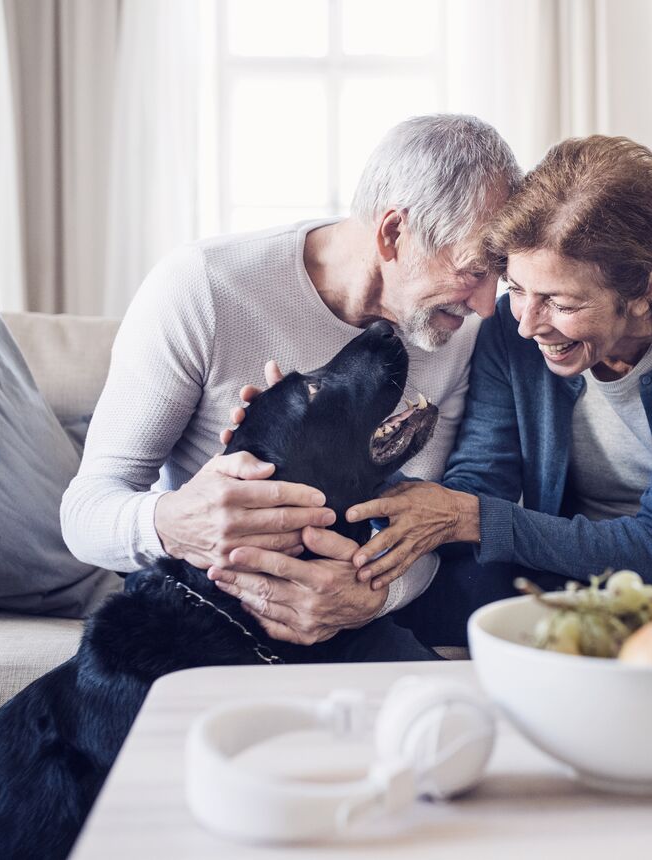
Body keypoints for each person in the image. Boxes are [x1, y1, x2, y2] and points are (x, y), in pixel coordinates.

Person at [330, 135, 652, 644]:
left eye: (561, 303)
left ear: (646, 290)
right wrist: (350, 468)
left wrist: (469, 516)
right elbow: (479, 485)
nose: (527, 324)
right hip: (601, 560)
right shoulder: (509, 333)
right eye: (517, 288)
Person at [61, 114, 521, 658]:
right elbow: (84, 514)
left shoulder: (459, 332)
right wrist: (175, 521)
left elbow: (418, 527)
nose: (488, 305)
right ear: (394, 232)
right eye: (473, 270)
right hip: (201, 607)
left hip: (350, 611)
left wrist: (372, 595)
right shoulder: (204, 286)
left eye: (501, 273)